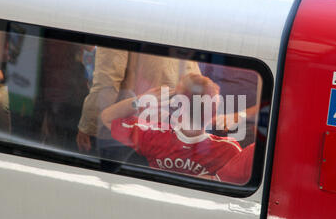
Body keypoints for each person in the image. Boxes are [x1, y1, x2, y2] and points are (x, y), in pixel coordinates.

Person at [101, 73, 242, 178]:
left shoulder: (152, 135)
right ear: (213, 113)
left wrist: (141, 100)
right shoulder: (229, 151)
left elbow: (106, 117)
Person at [76, 47, 201, 163]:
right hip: (168, 133)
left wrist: (88, 126)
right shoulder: (179, 26)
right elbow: (195, 80)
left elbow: (107, 85)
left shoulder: (117, 25)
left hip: (126, 130)